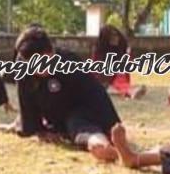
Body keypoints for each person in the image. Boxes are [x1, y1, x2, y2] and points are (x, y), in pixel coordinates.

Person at [10, 26, 141, 163]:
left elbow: (97, 94)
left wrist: (112, 126)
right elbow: (26, 102)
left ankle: (102, 146)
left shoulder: (70, 63)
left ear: (51, 52)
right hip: (56, 118)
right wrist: (38, 130)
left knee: (79, 126)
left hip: (81, 113)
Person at [90, 24, 146, 99]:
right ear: (106, 38)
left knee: (120, 83)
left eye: (116, 35)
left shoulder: (121, 46)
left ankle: (130, 91)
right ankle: (129, 92)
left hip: (118, 76)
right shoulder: (99, 51)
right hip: (104, 79)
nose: (115, 38)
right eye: (112, 36)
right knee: (106, 87)